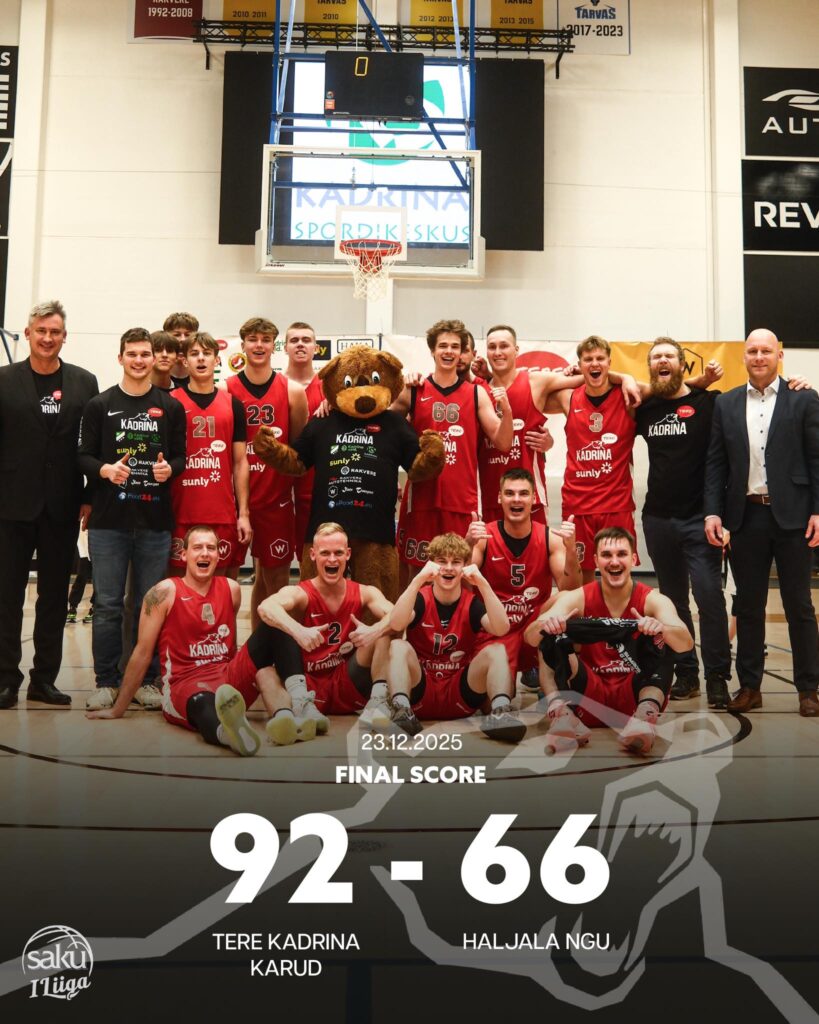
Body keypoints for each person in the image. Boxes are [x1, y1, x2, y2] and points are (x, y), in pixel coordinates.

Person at [86, 526, 314, 751]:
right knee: (203, 701)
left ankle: (299, 705)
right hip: (185, 684)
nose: (205, 553)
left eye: (211, 548)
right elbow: (142, 653)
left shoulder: (231, 589)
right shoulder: (163, 593)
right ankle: (230, 735)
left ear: (218, 555)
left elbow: (231, 641)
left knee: (275, 625)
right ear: (184, 555)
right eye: (197, 548)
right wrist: (118, 709)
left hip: (228, 680)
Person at [704, 328, 819, 717]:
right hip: (746, 516)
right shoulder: (727, 403)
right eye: (752, 351)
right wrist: (713, 511)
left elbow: (816, 459)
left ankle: (809, 689)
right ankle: (750, 687)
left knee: (799, 605)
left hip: (794, 517)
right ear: (744, 356)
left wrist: (818, 511)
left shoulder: (804, 398)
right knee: (749, 606)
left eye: (765, 351)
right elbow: (716, 463)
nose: (758, 357)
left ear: (779, 355)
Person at [78, 327, 186, 710]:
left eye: (145, 354)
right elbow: (83, 456)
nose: (139, 360)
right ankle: (106, 681)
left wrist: (169, 470)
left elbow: (181, 457)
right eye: (132, 354)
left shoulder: (170, 406)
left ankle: (146, 682)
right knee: (107, 604)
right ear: (120, 357)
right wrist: (105, 470)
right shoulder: (99, 404)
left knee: (148, 605)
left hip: (154, 523)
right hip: (109, 523)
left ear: (154, 358)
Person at [0, 299, 99, 708]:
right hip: (10, 505)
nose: (47, 338)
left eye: (54, 331)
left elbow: (94, 444)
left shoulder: (84, 382)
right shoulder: (4, 380)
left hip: (63, 505)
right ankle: (6, 679)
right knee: (7, 596)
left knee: (54, 598)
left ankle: (44, 679)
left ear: (64, 336)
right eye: (40, 331)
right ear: (28, 333)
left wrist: (89, 496)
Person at [524, 526, 693, 755]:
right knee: (550, 634)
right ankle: (562, 716)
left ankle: (644, 719)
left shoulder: (653, 600)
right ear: (595, 560)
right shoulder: (579, 597)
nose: (614, 562)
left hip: (635, 697)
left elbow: (685, 644)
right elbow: (530, 637)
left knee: (665, 635)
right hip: (587, 696)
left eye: (621, 554)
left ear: (634, 559)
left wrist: (661, 628)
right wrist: (547, 625)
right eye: (606, 555)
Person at [635, 337, 732, 708]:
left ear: (681, 364)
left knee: (709, 597)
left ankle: (717, 677)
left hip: (699, 519)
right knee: (673, 601)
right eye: (656, 357)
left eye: (669, 356)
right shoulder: (646, 409)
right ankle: (687, 672)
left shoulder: (709, 402)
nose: (662, 361)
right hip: (658, 519)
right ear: (650, 367)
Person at [394, 319, 513, 576]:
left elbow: (503, 442)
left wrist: (507, 411)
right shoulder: (413, 390)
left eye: (455, 347)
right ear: (432, 350)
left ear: (462, 353)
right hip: (422, 498)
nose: (449, 351)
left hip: (461, 500)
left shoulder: (476, 393)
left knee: (461, 572)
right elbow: (382, 431)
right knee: (416, 574)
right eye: (443, 346)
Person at [257, 522, 394, 735]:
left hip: (346, 681)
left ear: (348, 554)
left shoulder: (365, 592)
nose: (332, 559)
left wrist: (374, 630)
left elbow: (400, 615)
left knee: (383, 633)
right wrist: (298, 630)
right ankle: (287, 720)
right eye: (325, 553)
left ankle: (377, 703)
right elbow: (265, 607)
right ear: (313, 555)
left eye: (338, 553)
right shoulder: (301, 593)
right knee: (263, 673)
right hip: (307, 684)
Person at [384, 532, 521, 742]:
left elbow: (501, 628)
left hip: (460, 693)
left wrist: (482, 583)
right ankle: (401, 710)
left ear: (464, 567)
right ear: (431, 564)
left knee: (497, 650)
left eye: (456, 562)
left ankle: (501, 713)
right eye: (442, 561)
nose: (448, 567)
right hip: (421, 693)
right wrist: (418, 580)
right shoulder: (420, 599)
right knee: (397, 646)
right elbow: (396, 624)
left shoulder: (472, 603)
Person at [225, 317, 308, 625]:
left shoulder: (293, 391)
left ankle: (271, 646)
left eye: (265, 339)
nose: (258, 345)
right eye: (252, 339)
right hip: (234, 502)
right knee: (227, 585)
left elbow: (298, 453)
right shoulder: (225, 389)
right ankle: (230, 647)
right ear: (243, 344)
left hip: (277, 501)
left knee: (276, 584)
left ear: (274, 345)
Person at [466, 468, 581, 686]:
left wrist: (571, 550)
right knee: (495, 697)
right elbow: (461, 585)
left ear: (534, 498)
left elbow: (571, 590)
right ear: (499, 498)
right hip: (495, 630)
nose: (516, 499)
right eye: (509, 493)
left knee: (565, 600)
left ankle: (545, 667)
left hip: (533, 630)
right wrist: (467, 544)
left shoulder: (550, 538)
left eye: (523, 493)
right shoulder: (484, 537)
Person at [543, 336, 640, 584]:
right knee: (581, 573)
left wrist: (626, 378)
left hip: (615, 503)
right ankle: (587, 612)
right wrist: (570, 377)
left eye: (600, 359)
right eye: (588, 360)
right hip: (578, 504)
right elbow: (537, 394)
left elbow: (662, 389)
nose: (594, 363)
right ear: (579, 364)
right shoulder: (568, 397)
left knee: (619, 571)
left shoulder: (627, 396)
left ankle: (619, 613)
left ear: (609, 362)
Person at [477, 324, 581, 523]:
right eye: (492, 347)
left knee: (538, 544)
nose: (497, 352)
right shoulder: (479, 391)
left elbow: (588, 380)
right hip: (490, 498)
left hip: (531, 499)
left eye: (504, 346)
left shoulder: (535, 381)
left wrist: (624, 378)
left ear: (516, 350)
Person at [170, 333, 251, 578]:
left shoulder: (233, 404)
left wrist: (243, 514)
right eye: (194, 354)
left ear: (216, 360)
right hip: (179, 512)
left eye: (207, 354)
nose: (201, 359)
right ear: (185, 361)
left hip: (222, 513)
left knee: (223, 587)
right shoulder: (170, 402)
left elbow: (240, 462)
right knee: (178, 589)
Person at [283, 321, 324, 550]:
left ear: (316, 348)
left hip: (316, 480)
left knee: (312, 548)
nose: (300, 344)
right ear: (285, 348)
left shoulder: (329, 388)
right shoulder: (275, 386)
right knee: (270, 555)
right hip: (278, 480)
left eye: (306, 340)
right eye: (294, 340)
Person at [162, 311, 199, 388]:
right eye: (177, 335)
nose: (182, 339)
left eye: (187, 334)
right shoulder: (154, 378)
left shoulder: (203, 377)